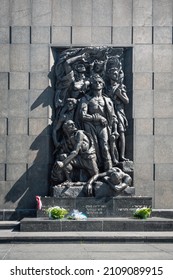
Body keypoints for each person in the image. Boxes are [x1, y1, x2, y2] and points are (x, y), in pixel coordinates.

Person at [80, 74, 118, 171]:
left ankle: (109, 170)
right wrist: (96, 118)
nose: (97, 84)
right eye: (95, 82)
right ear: (91, 85)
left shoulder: (108, 100)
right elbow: (82, 115)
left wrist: (115, 130)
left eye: (100, 82)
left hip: (103, 127)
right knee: (93, 148)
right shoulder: (86, 99)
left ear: (103, 84)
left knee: (105, 147)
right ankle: (94, 171)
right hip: (90, 126)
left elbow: (113, 117)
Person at [106, 66, 129, 162]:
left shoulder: (120, 86)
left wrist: (119, 95)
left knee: (121, 132)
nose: (116, 75)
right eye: (114, 73)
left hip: (119, 111)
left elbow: (127, 101)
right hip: (108, 112)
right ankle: (112, 157)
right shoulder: (106, 88)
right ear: (109, 75)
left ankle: (122, 156)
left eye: (117, 73)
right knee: (110, 134)